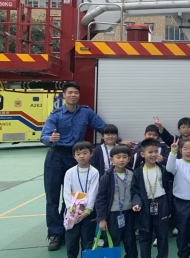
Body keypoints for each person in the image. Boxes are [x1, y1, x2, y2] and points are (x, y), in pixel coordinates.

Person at [40, 81, 111, 251]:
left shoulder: (86, 112)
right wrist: (50, 139)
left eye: (76, 93)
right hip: (56, 156)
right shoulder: (55, 115)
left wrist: (119, 141)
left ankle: (67, 227)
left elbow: (103, 127)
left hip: (75, 157)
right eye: (70, 93)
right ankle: (55, 234)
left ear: (79, 95)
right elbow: (44, 136)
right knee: (52, 197)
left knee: (74, 196)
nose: (73, 95)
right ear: (64, 95)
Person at [131, 139, 172, 258]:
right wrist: (137, 203)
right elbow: (135, 191)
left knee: (162, 236)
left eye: (156, 151)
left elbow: (168, 190)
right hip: (144, 205)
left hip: (162, 203)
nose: (154, 154)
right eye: (150, 152)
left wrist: (169, 208)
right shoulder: (137, 172)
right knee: (145, 236)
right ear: (142, 154)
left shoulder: (162, 169)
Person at [95, 145, 137, 258]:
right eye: (118, 157)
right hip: (112, 215)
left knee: (131, 242)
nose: (121, 160)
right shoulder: (106, 177)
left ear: (129, 159)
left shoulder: (133, 174)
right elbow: (101, 199)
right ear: (111, 159)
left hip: (129, 213)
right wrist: (102, 218)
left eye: (124, 157)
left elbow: (136, 193)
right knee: (112, 242)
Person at [166, 138, 190, 258]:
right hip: (179, 203)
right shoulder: (177, 163)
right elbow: (169, 168)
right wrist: (172, 151)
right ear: (180, 150)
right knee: (182, 233)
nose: (188, 151)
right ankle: (183, 255)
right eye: (185, 148)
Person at [63, 141, 100, 258]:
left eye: (85, 153)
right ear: (74, 156)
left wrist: (88, 210)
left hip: (87, 212)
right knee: (71, 241)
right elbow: (66, 192)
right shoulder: (70, 172)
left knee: (87, 240)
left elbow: (93, 192)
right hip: (73, 212)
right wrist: (70, 208)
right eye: (78, 154)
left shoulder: (94, 172)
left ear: (91, 154)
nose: (82, 156)